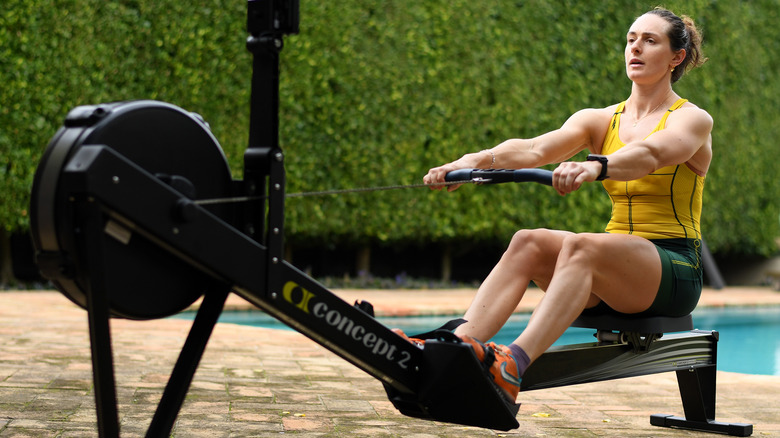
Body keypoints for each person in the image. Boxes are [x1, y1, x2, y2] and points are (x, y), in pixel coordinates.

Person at [400, 7, 711, 404]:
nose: (636, 47)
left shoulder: (692, 120)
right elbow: (534, 149)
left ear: (676, 57)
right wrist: (471, 161)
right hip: (612, 267)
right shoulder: (601, 120)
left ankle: (512, 364)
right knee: (528, 240)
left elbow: (651, 154)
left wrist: (596, 166)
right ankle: (453, 347)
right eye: (631, 39)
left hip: (674, 267)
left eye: (650, 41)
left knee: (582, 246)